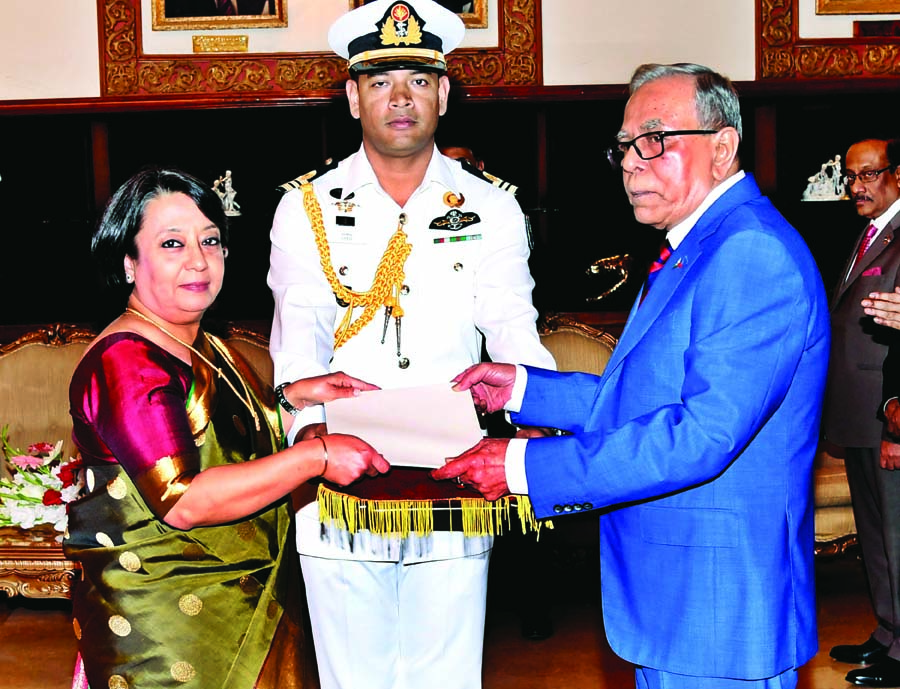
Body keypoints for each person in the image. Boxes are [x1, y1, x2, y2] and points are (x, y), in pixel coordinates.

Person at [433, 62, 830, 689]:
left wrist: (520, 469)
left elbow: (699, 434)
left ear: (723, 148)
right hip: (679, 598)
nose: (630, 161)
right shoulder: (700, 245)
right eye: (624, 145)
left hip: (719, 609)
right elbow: (645, 398)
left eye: (655, 140)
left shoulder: (751, 253)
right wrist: (526, 390)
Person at [266, 1, 555, 687]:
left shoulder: (490, 206)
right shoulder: (306, 205)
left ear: (445, 94)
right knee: (352, 672)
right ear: (351, 95)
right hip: (340, 468)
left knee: (447, 671)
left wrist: (543, 422)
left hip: (453, 461)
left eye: (418, 81)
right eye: (380, 81)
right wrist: (311, 449)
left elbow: (515, 326)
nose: (400, 98)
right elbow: (297, 333)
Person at [63, 167, 389, 689]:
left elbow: (226, 441)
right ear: (128, 262)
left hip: (236, 593)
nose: (198, 260)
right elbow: (184, 499)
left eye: (210, 241)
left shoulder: (201, 342)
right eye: (172, 244)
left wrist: (295, 398)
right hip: (170, 620)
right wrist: (317, 456)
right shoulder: (127, 360)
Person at [824, 137, 900, 688]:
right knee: (874, 533)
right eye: (851, 176)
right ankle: (889, 630)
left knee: (897, 533)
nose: (857, 186)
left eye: (869, 175)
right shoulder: (868, 235)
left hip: (888, 414)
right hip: (858, 415)